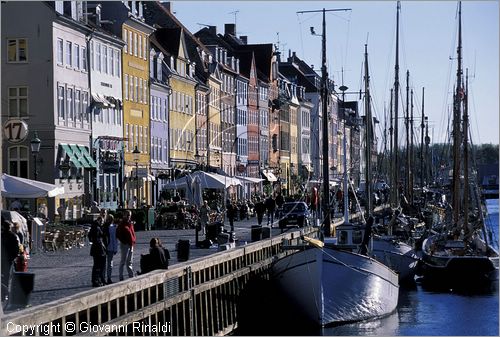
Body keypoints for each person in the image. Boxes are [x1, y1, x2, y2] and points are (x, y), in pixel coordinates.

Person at [1, 220, 21, 302]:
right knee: (6, 277)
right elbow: (16, 249)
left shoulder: (1, 235)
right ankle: (4, 295)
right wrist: (14, 257)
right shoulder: (13, 236)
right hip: (8, 259)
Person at [116, 210, 136, 281]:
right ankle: (121, 277)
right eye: (127, 215)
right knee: (123, 261)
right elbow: (118, 234)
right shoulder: (122, 224)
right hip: (125, 245)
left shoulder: (130, 224)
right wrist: (124, 241)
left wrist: (133, 240)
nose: (128, 217)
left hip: (131, 245)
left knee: (130, 261)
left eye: (129, 215)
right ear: (124, 215)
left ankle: (131, 275)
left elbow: (132, 233)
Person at [88, 219, 107, 287]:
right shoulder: (97, 228)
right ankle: (97, 280)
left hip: (95, 249)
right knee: (99, 266)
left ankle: (96, 280)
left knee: (96, 265)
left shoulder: (93, 227)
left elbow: (90, 238)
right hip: (99, 249)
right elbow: (97, 239)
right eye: (101, 221)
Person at [103, 214, 118, 284]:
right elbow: (114, 239)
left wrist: (115, 248)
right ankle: (105, 278)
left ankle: (108, 278)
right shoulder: (106, 227)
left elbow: (114, 239)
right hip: (107, 247)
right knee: (108, 264)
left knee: (109, 264)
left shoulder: (113, 227)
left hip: (110, 247)